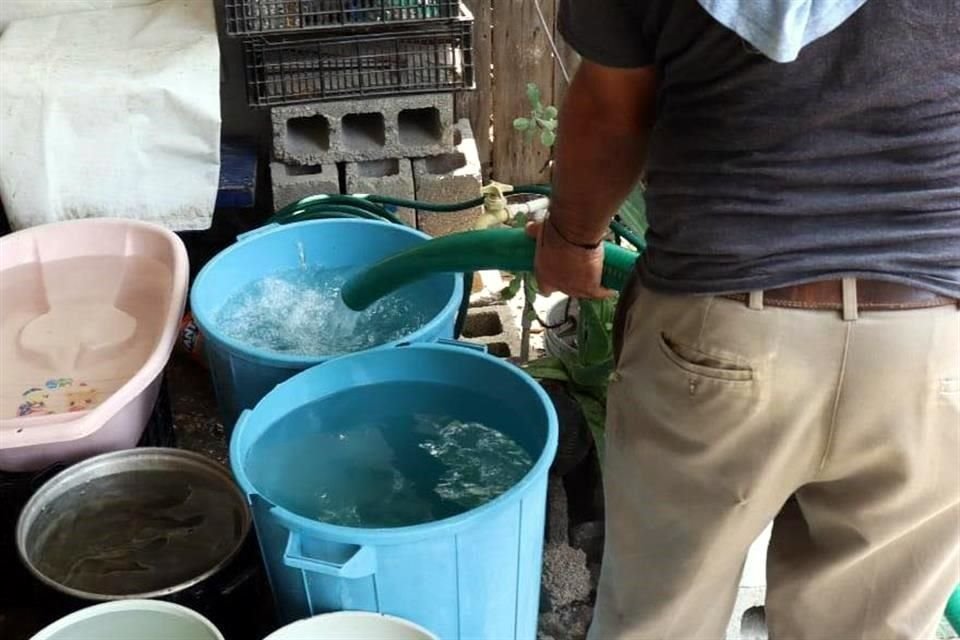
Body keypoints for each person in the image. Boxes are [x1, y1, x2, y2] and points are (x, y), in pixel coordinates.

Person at [527, 0, 960, 638]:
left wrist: (570, 241)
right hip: (929, 339)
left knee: (659, 619)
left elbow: (613, 107)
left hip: (719, 332)